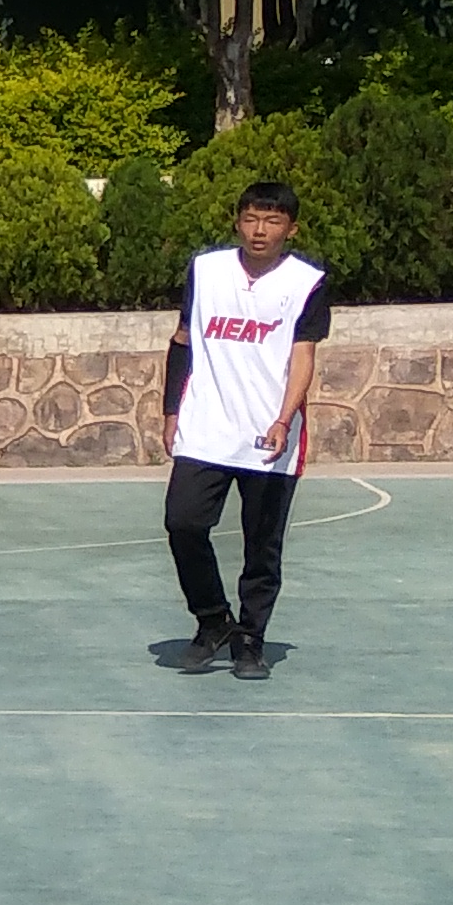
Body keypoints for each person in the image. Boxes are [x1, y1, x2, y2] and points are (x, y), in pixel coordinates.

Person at [164, 179, 328, 681]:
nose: (260, 230)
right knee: (184, 523)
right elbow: (183, 339)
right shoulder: (206, 270)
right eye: (251, 219)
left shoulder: (308, 282)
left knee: (262, 545)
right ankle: (213, 620)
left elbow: (303, 357)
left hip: (268, 435)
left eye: (273, 221)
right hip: (206, 426)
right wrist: (171, 410)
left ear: (291, 228)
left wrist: (283, 418)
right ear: (238, 221)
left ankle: (251, 640)